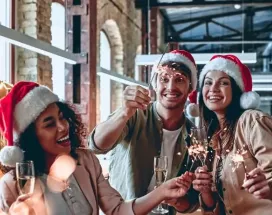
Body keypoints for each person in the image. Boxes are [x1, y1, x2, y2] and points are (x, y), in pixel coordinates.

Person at [0, 81, 194, 215]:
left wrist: (162, 192)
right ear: (31, 138)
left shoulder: (86, 161)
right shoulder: (12, 184)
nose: (63, 126)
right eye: (50, 124)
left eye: (62, 117)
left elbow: (117, 210)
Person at [89, 50, 200, 213]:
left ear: (191, 87)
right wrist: (124, 111)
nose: (171, 87)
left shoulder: (193, 134)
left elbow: (190, 204)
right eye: (164, 79)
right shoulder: (135, 115)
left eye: (180, 79)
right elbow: (96, 145)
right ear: (155, 84)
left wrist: (177, 200)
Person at [192, 55, 272, 215]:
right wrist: (206, 191)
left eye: (224, 83)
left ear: (236, 91)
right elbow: (219, 207)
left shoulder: (251, 120)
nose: (213, 88)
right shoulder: (215, 138)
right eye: (208, 82)